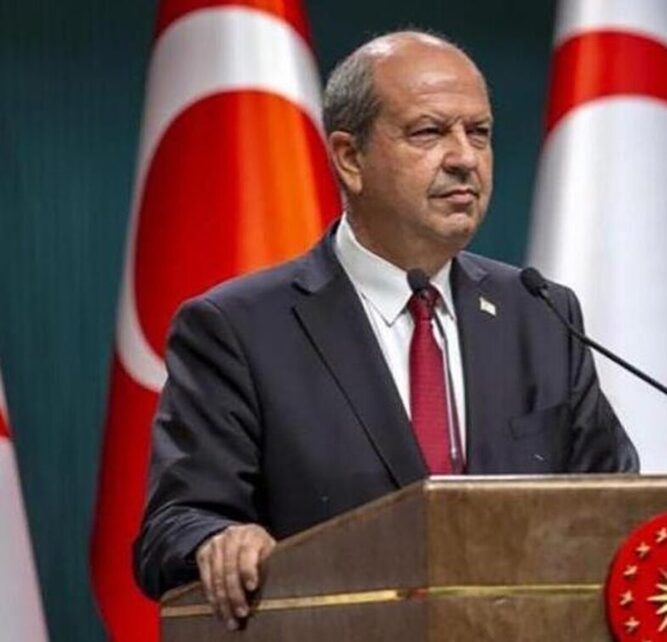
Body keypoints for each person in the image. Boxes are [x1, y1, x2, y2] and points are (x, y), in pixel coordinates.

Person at [133, 31, 638, 630]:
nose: (464, 157)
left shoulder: (539, 314)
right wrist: (220, 539)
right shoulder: (238, 329)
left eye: (478, 132)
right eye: (429, 132)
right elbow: (174, 525)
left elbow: (616, 507)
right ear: (350, 158)